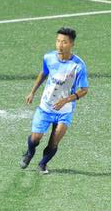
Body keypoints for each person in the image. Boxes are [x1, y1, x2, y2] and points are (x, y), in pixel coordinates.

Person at [20, 26, 88, 173]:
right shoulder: (49, 58)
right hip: (46, 106)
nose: (59, 45)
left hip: (65, 110)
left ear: (71, 44)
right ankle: (29, 153)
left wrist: (66, 100)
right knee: (35, 138)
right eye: (57, 41)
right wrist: (32, 92)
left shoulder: (78, 66)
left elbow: (84, 90)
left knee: (54, 140)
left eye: (64, 42)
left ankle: (42, 164)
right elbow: (44, 73)